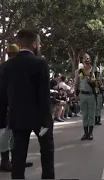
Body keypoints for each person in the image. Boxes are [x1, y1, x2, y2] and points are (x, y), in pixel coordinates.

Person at [0, 29, 54, 179]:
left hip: (17, 118)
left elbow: (2, 97)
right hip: (39, 119)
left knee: (18, 156)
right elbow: (43, 96)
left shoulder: (6, 66)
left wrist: (3, 122)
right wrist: (46, 121)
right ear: (35, 45)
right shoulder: (40, 63)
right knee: (47, 153)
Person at [0, 44, 33, 172]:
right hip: (6, 105)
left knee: (14, 134)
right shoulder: (6, 67)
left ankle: (17, 160)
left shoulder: (12, 67)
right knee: (6, 134)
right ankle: (5, 161)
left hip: (14, 105)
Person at [75, 53, 96, 140]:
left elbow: (98, 85)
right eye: (85, 60)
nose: (87, 61)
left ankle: (90, 133)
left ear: (90, 61)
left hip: (91, 95)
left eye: (88, 60)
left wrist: (94, 81)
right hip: (82, 94)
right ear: (83, 61)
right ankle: (85, 133)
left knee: (91, 115)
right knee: (84, 115)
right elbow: (77, 83)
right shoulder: (79, 72)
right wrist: (76, 94)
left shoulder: (94, 71)